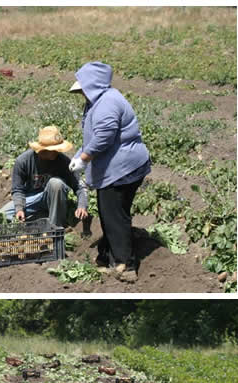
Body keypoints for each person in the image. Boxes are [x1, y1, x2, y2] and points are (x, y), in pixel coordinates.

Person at [69, 61, 151, 283]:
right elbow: (93, 137)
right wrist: (79, 154)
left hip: (123, 168)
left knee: (114, 214)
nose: (82, 94)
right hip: (117, 166)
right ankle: (107, 257)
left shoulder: (108, 102)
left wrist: (84, 159)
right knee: (112, 212)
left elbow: (104, 136)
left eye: (84, 89)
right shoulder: (98, 102)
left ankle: (126, 265)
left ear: (93, 85)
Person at [0, 126, 88, 228]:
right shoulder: (23, 161)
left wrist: (82, 206)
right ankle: (40, 217)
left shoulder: (63, 162)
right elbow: (17, 189)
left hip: (54, 200)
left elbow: (79, 187)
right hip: (31, 199)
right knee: (2, 215)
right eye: (54, 150)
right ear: (44, 149)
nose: (57, 151)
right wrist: (19, 209)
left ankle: (56, 227)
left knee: (56, 183)